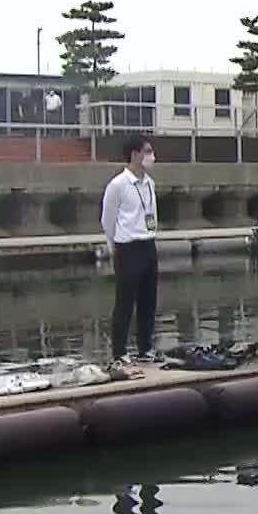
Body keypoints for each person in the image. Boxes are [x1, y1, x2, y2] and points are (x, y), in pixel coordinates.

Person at [102, 135, 160, 363]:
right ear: (135, 154)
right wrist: (113, 245)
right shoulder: (118, 185)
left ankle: (145, 348)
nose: (151, 156)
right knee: (125, 302)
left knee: (148, 300)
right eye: (147, 152)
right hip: (127, 247)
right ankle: (119, 352)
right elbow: (108, 219)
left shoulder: (149, 183)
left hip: (148, 244)